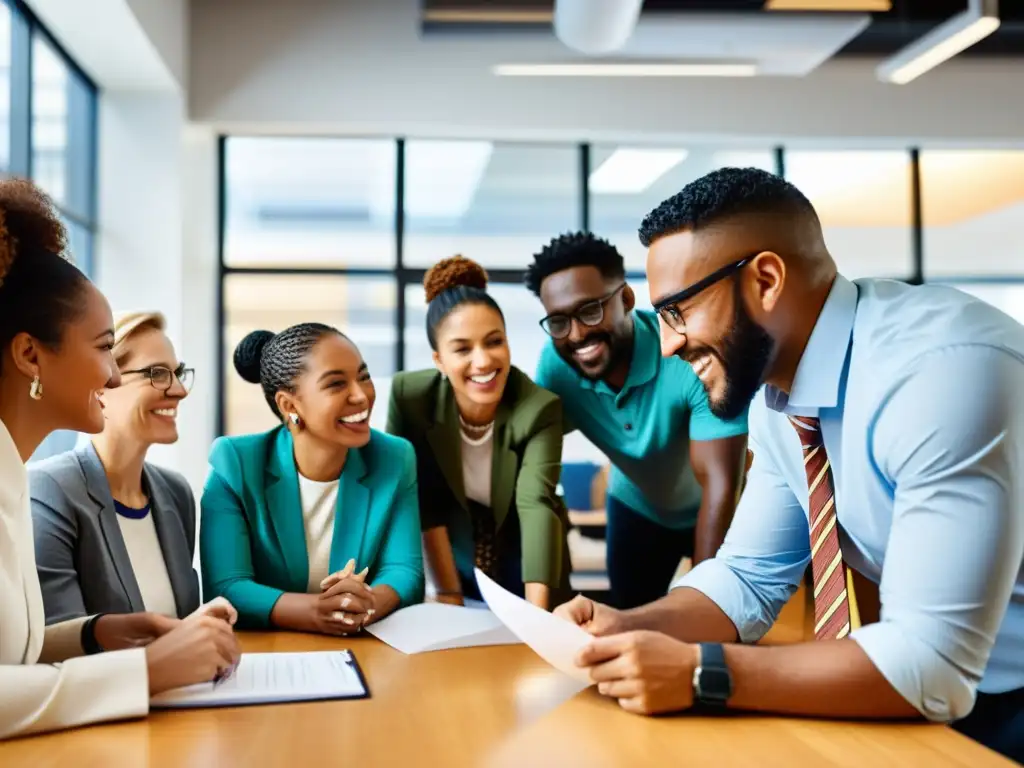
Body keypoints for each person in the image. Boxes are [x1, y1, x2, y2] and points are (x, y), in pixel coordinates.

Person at [555, 167, 1024, 763]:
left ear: (766, 280)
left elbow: (931, 664)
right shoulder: (779, 402)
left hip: (987, 691)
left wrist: (704, 673)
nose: (667, 344)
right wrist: (624, 628)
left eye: (678, 310)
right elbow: (747, 579)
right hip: (936, 691)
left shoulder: (943, 373)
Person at [0, 179, 240, 740]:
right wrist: (146, 671)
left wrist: (97, 632)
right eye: (104, 348)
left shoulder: (10, 473)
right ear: (31, 355)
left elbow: (14, 652)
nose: (110, 375)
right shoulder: (38, 487)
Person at [526, 232, 748, 610]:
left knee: (719, 628)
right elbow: (528, 452)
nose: (577, 334)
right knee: (629, 619)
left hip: (716, 504)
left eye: (590, 310)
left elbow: (719, 483)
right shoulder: (556, 368)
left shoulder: (686, 354)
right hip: (637, 508)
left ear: (626, 299)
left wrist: (703, 605)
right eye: (560, 321)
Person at [201, 323, 424, 633]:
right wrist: (315, 611)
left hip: (362, 651)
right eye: (336, 384)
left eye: (363, 376)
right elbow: (226, 586)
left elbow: (405, 571)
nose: (361, 396)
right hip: (265, 655)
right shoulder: (236, 463)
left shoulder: (394, 458)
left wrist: (367, 602)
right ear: (289, 405)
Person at [387, 256, 571, 610]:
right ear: (438, 359)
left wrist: (537, 618)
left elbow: (536, 506)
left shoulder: (539, 408)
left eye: (494, 342)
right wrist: (446, 591)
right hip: (453, 548)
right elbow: (418, 499)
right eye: (462, 349)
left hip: (530, 555)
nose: (483, 361)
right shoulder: (410, 398)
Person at [31, 311, 200, 622]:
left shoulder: (176, 493)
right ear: (102, 388)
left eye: (178, 373)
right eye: (158, 373)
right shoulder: (50, 491)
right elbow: (61, 638)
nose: (179, 390)